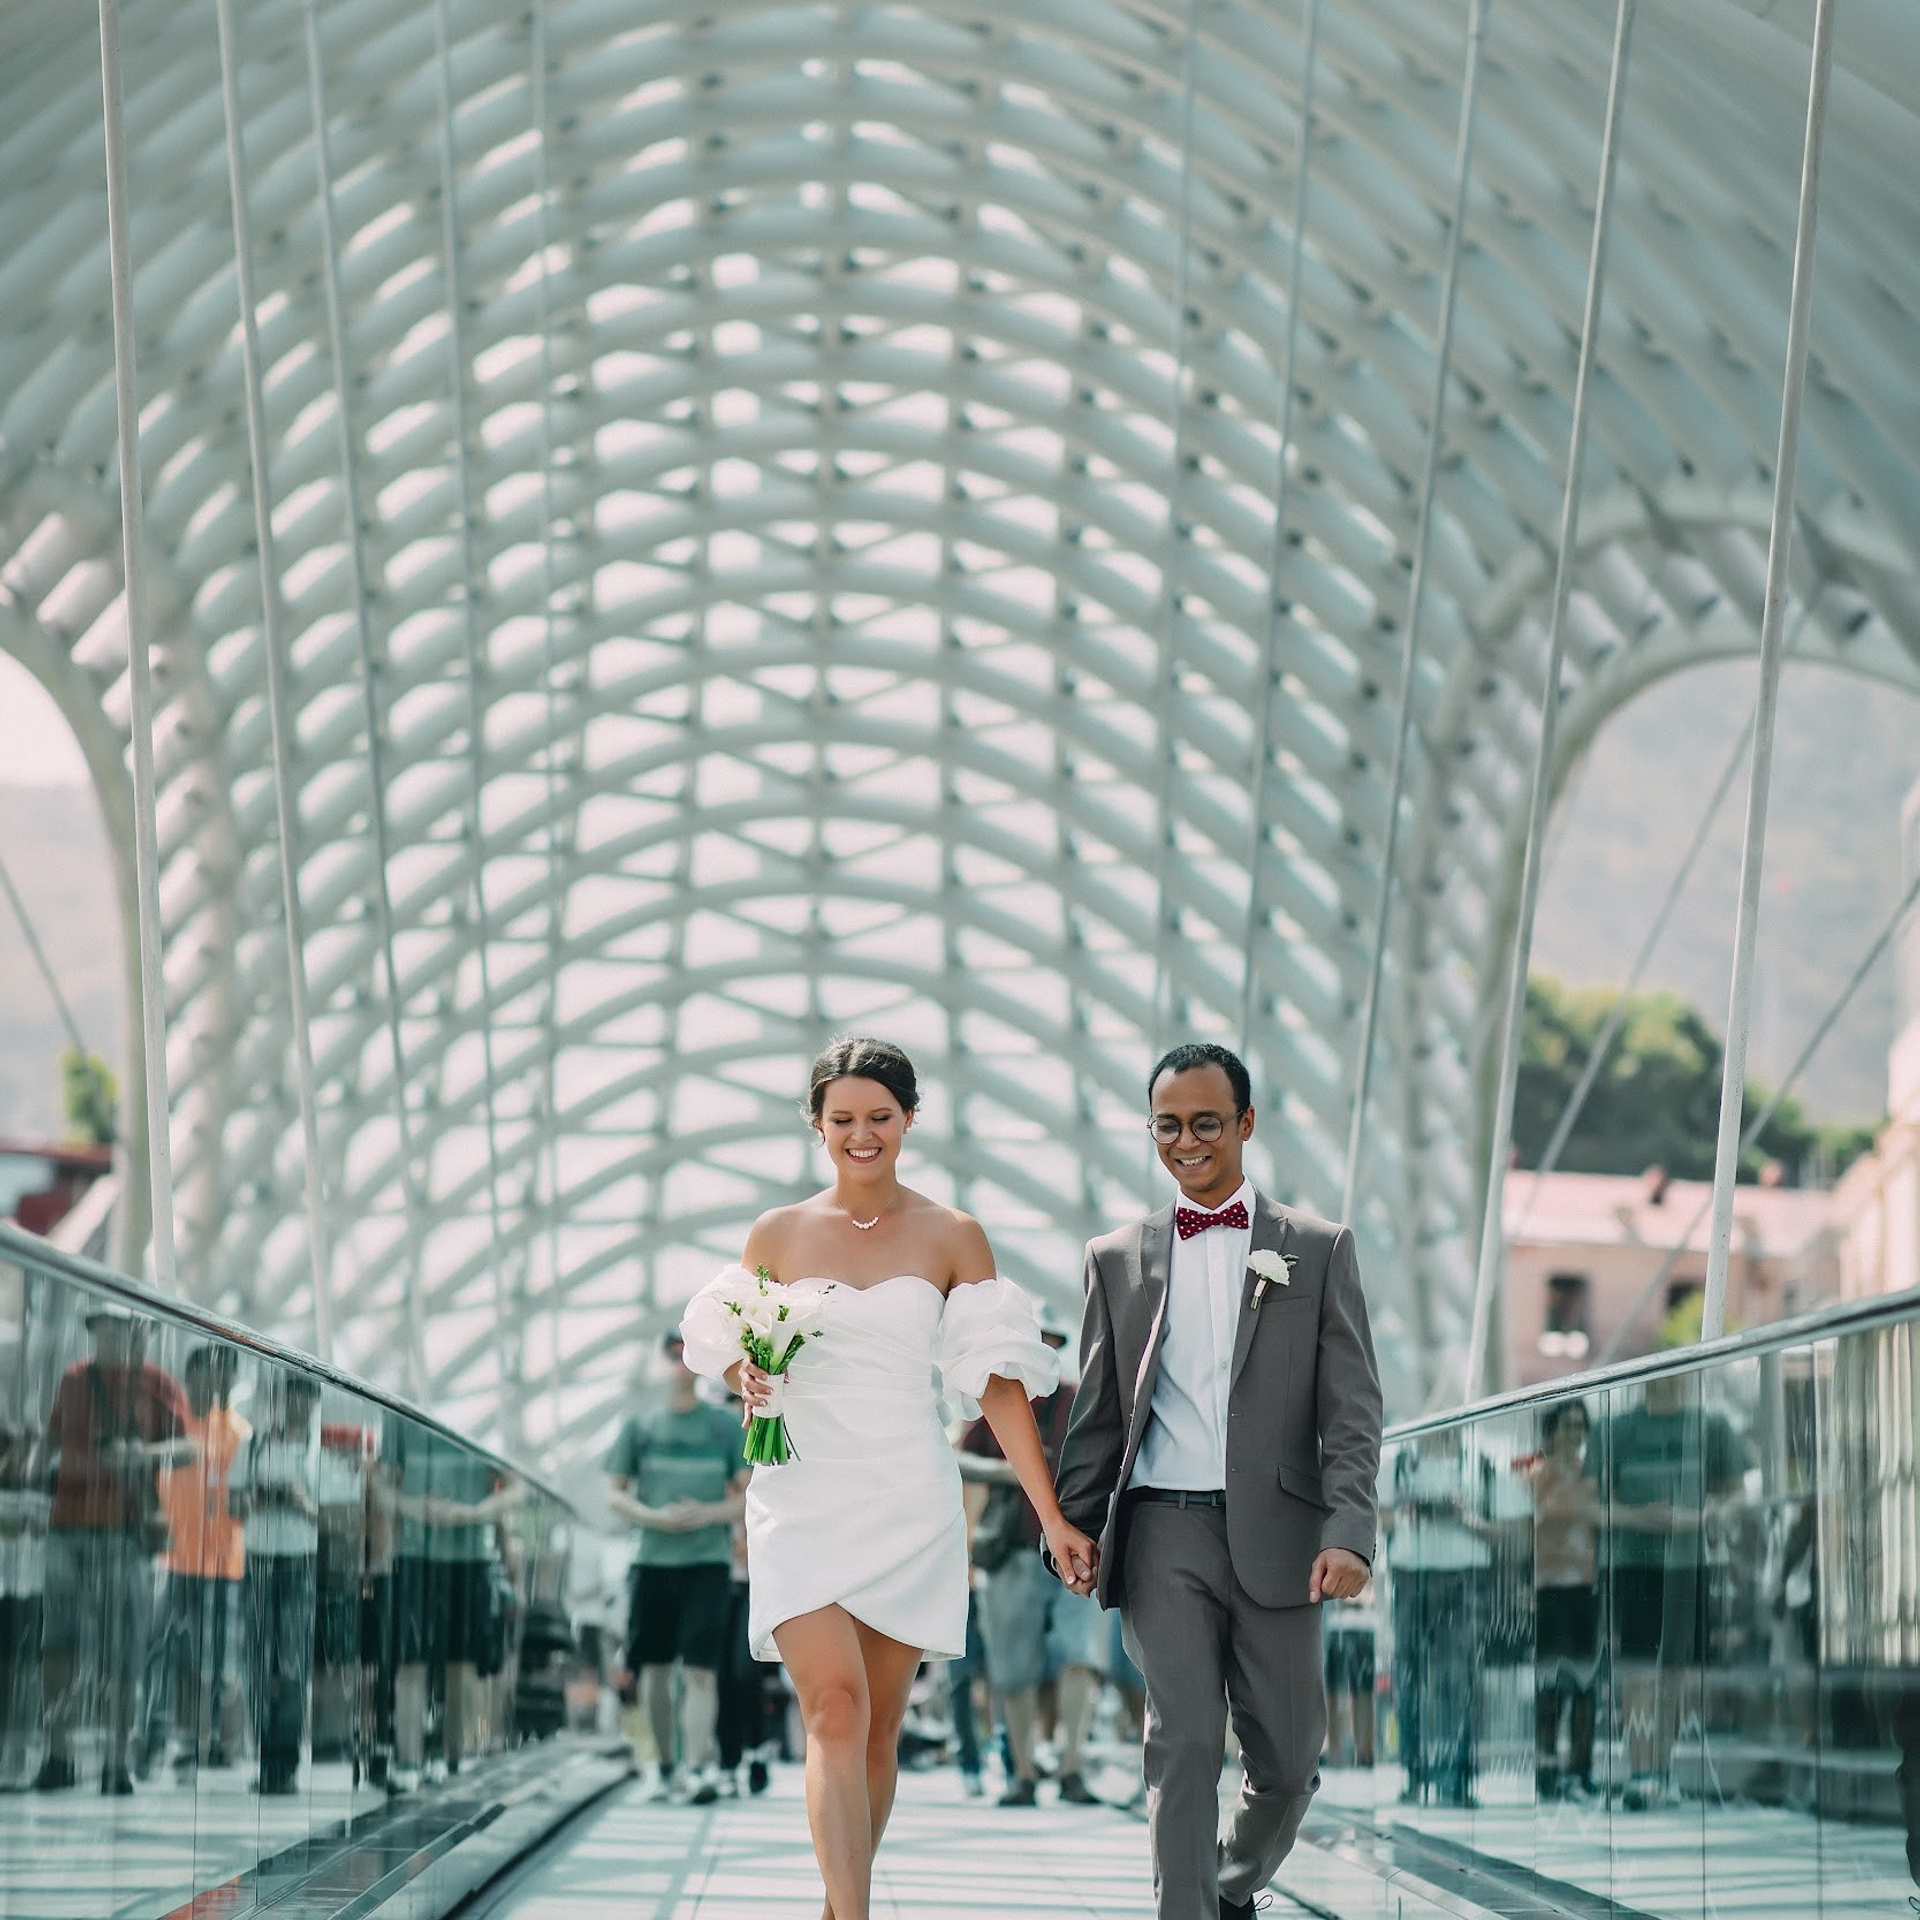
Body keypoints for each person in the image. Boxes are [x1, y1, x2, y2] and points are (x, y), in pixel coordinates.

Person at [680, 1035, 1097, 1920]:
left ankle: (839, 1909)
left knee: (875, 1733)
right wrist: (742, 1377)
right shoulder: (778, 1232)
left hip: (909, 1498)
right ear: (817, 1125)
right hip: (800, 1494)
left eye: (880, 1117)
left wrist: (1049, 1515)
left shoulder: (953, 1235)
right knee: (831, 1710)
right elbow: (730, 1350)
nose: (861, 1135)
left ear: (909, 1119)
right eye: (843, 1120)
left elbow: (998, 1386)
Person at [1054, 1041, 1382, 1920]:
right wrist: (1072, 1527)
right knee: (1185, 1740)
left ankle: (1232, 1886)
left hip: (1283, 1534)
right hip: (1164, 1530)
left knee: (1287, 1760)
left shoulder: (1316, 1249)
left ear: (1245, 1123)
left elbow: (1352, 1409)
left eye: (1206, 1123)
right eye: (1168, 1125)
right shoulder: (1115, 1257)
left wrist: (1349, 1527)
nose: (1186, 1141)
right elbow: (1097, 1412)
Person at [37, 1302, 193, 1795]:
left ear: (134, 1332)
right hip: (67, 1526)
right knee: (58, 1643)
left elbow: (188, 1449)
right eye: (98, 1330)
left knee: (121, 1648)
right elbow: (52, 1440)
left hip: (123, 1532)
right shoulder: (74, 1379)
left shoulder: (158, 1384)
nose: (104, 1338)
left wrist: (142, 1453)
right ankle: (57, 1755)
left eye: (113, 1329)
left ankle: (114, 1761)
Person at [959, 1305, 1106, 1807]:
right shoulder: (995, 1398)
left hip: (1079, 1551)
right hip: (1014, 1551)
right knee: (1011, 1667)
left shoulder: (1079, 1401)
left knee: (1078, 1656)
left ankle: (1071, 1768)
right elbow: (960, 1457)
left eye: (1049, 1339)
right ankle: (1022, 1771)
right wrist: (1009, 1471)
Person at [606, 1330, 749, 1804]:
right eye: (672, 1354)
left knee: (702, 1670)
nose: (680, 1364)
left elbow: (750, 1495)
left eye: (689, 1353)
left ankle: (697, 1766)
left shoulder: (723, 1427)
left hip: (707, 1562)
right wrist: (653, 1517)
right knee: (656, 1670)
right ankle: (663, 1767)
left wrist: (705, 1514)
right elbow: (615, 1492)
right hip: (652, 1561)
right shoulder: (641, 1426)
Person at [144, 1342, 248, 1777]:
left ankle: (217, 1742)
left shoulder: (240, 1433)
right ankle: (177, 1738)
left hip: (224, 1564)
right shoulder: (175, 1426)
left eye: (223, 1375)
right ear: (190, 1378)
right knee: (174, 1655)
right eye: (206, 1373)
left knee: (219, 1659)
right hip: (176, 1559)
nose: (215, 1382)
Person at [230, 1371, 323, 1794]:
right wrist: (259, 1497)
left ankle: (285, 1760)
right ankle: (266, 1758)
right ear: (281, 1399)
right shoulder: (254, 1445)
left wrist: (298, 1498)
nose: (298, 1404)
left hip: (300, 1560)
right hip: (260, 1559)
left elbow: (334, 1517)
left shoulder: (318, 1454)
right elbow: (233, 1504)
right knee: (258, 1660)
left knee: (291, 1663)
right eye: (292, 1396)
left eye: (306, 1396)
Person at [1529, 1400, 1600, 1800]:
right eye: (1567, 1423)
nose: (1575, 1431)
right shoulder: (1539, 1474)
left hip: (1585, 1586)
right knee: (1550, 1683)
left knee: (1587, 1682)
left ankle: (1581, 1767)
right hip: (1549, 1588)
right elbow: (1545, 1515)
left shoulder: (1590, 1473)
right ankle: (1547, 1768)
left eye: (1580, 1424)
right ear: (1552, 1430)